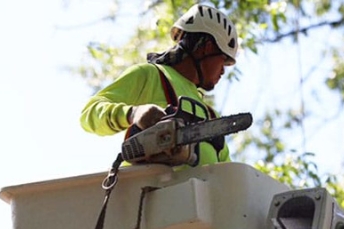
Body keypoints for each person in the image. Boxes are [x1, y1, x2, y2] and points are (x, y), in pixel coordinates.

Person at [80, 4, 238, 166]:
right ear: (207, 48)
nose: (223, 72)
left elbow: (228, 177)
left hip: (195, 192)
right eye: (223, 61)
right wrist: (133, 113)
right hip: (145, 189)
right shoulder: (150, 75)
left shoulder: (211, 116)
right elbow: (89, 114)